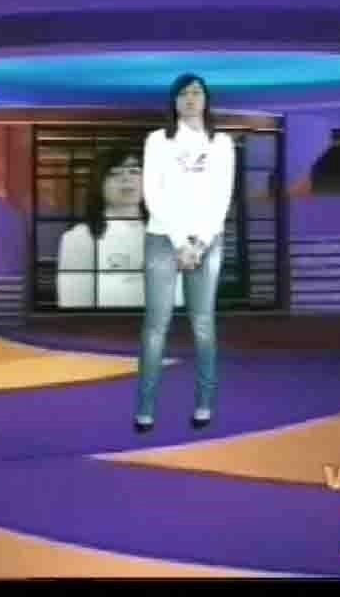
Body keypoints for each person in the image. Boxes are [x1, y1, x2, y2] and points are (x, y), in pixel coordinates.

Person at [134, 73, 235, 433]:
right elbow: (153, 194)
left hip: (207, 241)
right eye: (184, 93)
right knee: (155, 326)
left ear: (206, 100)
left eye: (197, 92)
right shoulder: (157, 141)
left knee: (203, 323)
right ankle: (145, 408)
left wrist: (201, 242)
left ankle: (205, 404)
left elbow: (223, 196)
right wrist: (180, 243)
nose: (191, 98)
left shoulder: (221, 143)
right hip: (163, 238)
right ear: (174, 101)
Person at [56, 149, 184, 308]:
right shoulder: (80, 238)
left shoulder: (172, 233)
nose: (126, 178)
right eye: (114, 173)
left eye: (134, 171)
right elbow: (74, 305)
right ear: (98, 184)